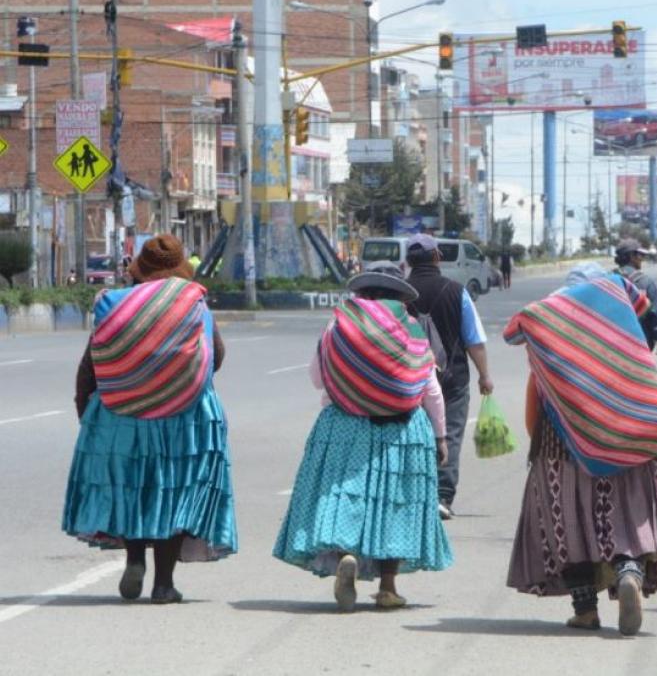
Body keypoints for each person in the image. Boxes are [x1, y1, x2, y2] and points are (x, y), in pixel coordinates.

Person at [504, 263, 657, 636]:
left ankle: (585, 610)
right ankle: (628, 572)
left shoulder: (549, 345)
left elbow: (531, 399)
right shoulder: (625, 338)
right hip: (631, 443)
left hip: (562, 449)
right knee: (623, 518)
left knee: (568, 528)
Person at [62, 234, 237, 604]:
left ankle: (134, 558)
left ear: (140, 270)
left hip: (120, 415)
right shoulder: (194, 304)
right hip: (183, 416)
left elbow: (90, 365)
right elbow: (216, 356)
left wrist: (87, 413)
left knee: (133, 489)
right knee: (174, 493)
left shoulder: (113, 304)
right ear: (180, 271)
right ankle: (163, 584)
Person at [272, 263, 452, 611]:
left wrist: (354, 388)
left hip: (345, 423)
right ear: (400, 295)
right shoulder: (410, 327)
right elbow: (430, 388)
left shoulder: (339, 323)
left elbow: (316, 376)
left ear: (362, 293)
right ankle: (387, 587)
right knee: (396, 504)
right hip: (403, 427)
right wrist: (441, 436)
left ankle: (347, 554)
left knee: (348, 495)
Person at [405, 234, 493, 520]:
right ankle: (442, 496)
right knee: (449, 434)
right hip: (452, 377)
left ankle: (411, 493)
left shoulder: (399, 293)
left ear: (408, 260)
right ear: (437, 257)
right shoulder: (457, 291)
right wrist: (484, 376)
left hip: (407, 376)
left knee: (409, 432)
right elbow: (474, 340)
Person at [615, 238, 657, 354]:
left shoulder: (607, 279)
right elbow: (656, 312)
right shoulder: (645, 282)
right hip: (640, 343)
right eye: (640, 255)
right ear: (631, 256)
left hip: (613, 342)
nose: (642, 259)